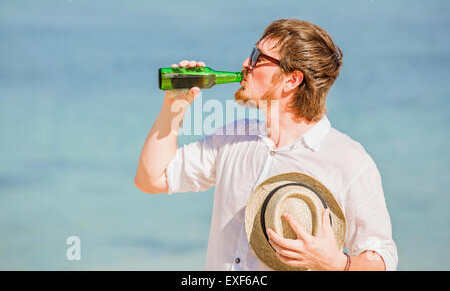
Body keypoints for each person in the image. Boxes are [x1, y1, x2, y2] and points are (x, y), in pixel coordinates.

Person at [134, 19, 398, 271]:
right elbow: (153, 179)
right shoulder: (234, 137)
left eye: (257, 57)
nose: (245, 64)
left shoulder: (348, 160)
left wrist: (337, 263)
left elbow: (381, 258)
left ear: (291, 80)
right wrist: (174, 106)